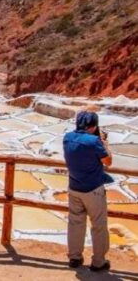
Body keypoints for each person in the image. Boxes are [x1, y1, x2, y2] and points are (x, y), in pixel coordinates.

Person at [64, 110, 113, 272]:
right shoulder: (93, 142)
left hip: (74, 188)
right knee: (98, 225)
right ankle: (98, 261)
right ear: (93, 126)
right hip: (93, 190)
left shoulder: (67, 138)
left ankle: (74, 257)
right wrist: (104, 142)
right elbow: (108, 162)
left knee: (75, 223)